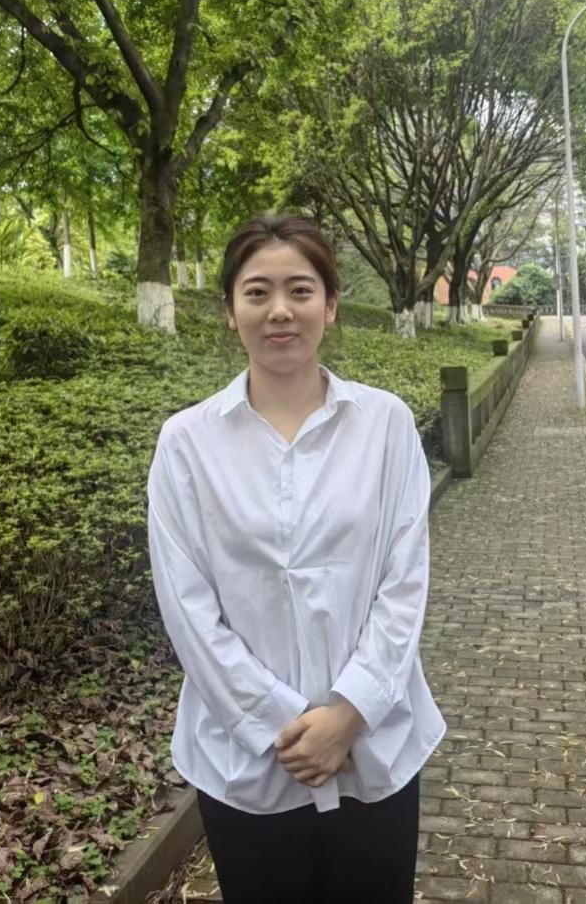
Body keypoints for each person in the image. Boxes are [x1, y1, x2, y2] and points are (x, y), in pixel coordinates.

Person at [147, 214, 445, 903]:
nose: (279, 310)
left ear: (330, 305)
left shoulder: (386, 425)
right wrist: (278, 723)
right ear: (231, 311)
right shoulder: (186, 443)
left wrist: (350, 713)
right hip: (247, 762)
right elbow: (187, 607)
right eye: (257, 292)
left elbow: (405, 582)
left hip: (375, 750)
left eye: (300, 290)